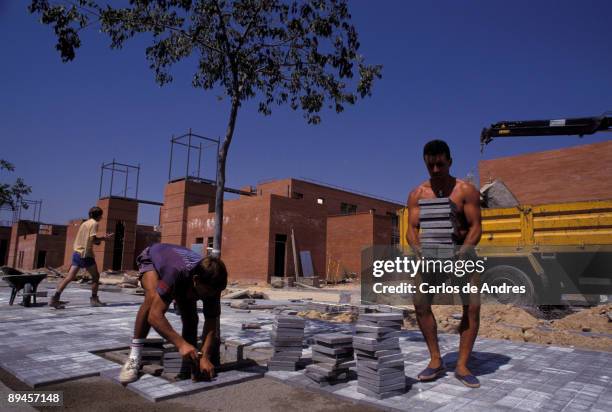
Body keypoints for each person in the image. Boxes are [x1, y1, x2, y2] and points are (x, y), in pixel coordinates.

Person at [406, 139, 482, 388]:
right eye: (431, 165)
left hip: (462, 254)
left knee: (472, 306)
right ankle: (436, 360)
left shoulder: (465, 190)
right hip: (430, 256)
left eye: (440, 164)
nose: (436, 170)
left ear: (450, 161)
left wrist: (461, 254)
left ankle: (462, 365)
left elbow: (475, 228)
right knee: (420, 304)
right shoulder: (417, 194)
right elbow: (411, 229)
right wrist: (418, 251)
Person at [119, 243, 227, 384]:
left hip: (182, 266)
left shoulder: (213, 283)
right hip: (153, 256)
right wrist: (181, 344)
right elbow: (154, 316)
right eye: (207, 292)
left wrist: (205, 356)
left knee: (191, 319)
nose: (209, 296)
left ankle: (189, 365)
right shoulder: (175, 273)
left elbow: (212, 321)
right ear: (195, 281)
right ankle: (134, 356)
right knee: (152, 299)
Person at [49, 206, 113, 308]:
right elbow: (93, 239)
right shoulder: (94, 224)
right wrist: (104, 238)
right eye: (101, 215)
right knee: (96, 276)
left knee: (69, 277)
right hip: (85, 254)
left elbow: (88, 239)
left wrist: (98, 240)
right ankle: (94, 299)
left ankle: (55, 298)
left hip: (77, 252)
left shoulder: (85, 223)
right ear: (99, 215)